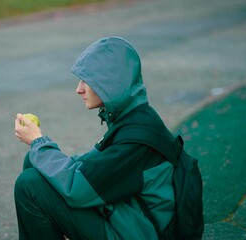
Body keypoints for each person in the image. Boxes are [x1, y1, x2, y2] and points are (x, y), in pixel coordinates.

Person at [14, 37, 175, 240]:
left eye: (87, 81)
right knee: (36, 163)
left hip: (141, 233)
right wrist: (39, 150)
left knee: (30, 185)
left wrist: (38, 142)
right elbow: (90, 165)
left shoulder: (138, 138)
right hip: (131, 219)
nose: (79, 89)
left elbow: (79, 188)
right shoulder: (133, 118)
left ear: (110, 83)